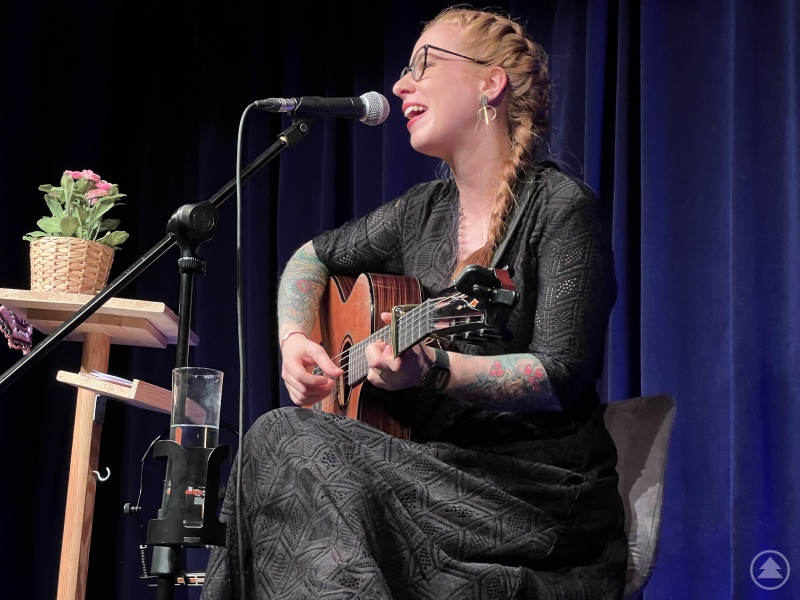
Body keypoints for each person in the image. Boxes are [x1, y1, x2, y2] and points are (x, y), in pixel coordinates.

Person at [202, 5, 627, 599]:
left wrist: (436, 370)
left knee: (284, 440)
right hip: (428, 478)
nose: (400, 84)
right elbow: (310, 258)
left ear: (490, 82)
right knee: (276, 442)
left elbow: (557, 374)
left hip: (532, 500)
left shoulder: (559, 209)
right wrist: (295, 339)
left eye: (423, 65)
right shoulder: (420, 212)